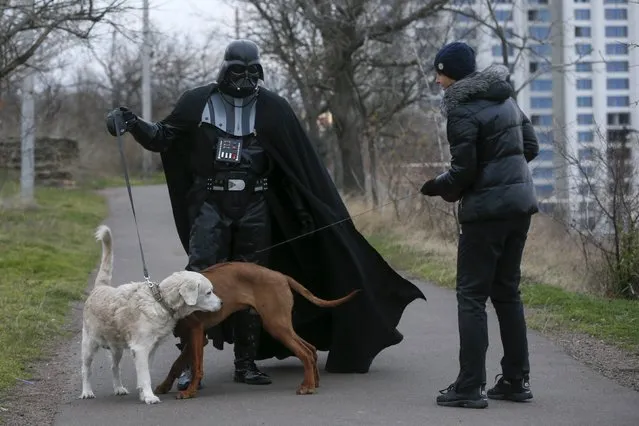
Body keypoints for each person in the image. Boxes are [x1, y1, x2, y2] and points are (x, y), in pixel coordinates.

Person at [106, 39, 426, 392]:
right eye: (237, 71)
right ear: (224, 69)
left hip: (255, 205)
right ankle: (187, 364)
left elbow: (298, 165)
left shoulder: (274, 108)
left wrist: (305, 212)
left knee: (254, 283)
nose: (244, 79)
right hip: (210, 204)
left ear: (259, 71)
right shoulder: (197, 101)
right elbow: (163, 137)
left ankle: (246, 362)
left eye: (251, 71)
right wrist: (132, 122)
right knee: (194, 283)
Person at [419, 42, 539, 409]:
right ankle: (515, 382)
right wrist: (500, 171)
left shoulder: (461, 110)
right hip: (519, 208)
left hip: (485, 215)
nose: (437, 80)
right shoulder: (505, 98)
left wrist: (438, 186)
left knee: (471, 297)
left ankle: (470, 387)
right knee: (507, 293)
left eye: (439, 73)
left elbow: (463, 171)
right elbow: (530, 147)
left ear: (452, 73)